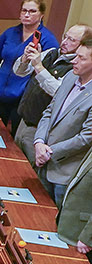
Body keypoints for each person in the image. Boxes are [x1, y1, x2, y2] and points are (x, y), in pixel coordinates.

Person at [15, 22, 86, 160]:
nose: (64, 42)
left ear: (82, 45)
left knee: (30, 170)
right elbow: (19, 72)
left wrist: (39, 66)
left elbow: (59, 92)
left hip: (40, 131)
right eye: (65, 37)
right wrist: (25, 58)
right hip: (24, 119)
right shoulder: (51, 53)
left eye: (71, 40)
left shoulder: (76, 68)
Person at [33, 41, 92, 201]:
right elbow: (49, 111)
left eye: (81, 58)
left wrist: (49, 152)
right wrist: (39, 142)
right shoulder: (70, 77)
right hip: (42, 161)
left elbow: (86, 138)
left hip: (64, 174)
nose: (73, 61)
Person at [0, 0, 56, 130]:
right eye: (24, 11)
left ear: (41, 15)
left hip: (21, 99)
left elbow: (46, 71)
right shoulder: (10, 33)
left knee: (13, 140)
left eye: (32, 11)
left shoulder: (48, 40)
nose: (27, 15)